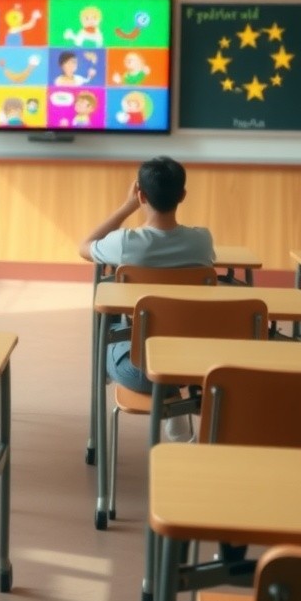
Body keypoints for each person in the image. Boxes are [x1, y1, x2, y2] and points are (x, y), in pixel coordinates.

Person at [78, 156, 215, 441]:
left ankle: (107, 373)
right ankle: (174, 401)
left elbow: (84, 246)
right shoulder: (202, 240)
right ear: (183, 195)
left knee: (106, 310)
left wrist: (127, 206)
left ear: (141, 195)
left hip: (139, 372)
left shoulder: (126, 242)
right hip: (195, 367)